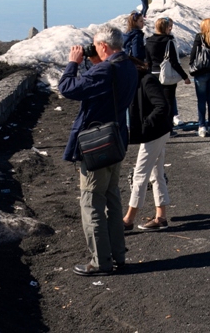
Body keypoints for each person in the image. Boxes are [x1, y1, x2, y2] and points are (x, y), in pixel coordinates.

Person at [59, 24, 139, 277]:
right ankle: (118, 255)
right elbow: (103, 89)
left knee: (92, 202)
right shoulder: (126, 65)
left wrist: (73, 63)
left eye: (95, 45)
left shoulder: (105, 70)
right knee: (112, 199)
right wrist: (95, 62)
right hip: (116, 141)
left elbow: (68, 88)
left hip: (97, 145)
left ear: (103, 46)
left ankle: (100, 261)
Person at [122, 71, 172, 232]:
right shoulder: (134, 81)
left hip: (155, 133)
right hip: (156, 132)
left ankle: (128, 220)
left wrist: (145, 125)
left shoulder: (146, 80)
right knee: (156, 173)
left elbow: (162, 106)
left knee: (140, 174)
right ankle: (161, 217)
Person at [144, 17, 191, 130]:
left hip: (153, 75)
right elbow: (174, 62)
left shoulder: (149, 41)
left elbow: (147, 61)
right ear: (166, 28)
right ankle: (168, 129)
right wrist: (185, 76)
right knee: (169, 103)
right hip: (166, 76)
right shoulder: (168, 42)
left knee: (156, 103)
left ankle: (156, 126)